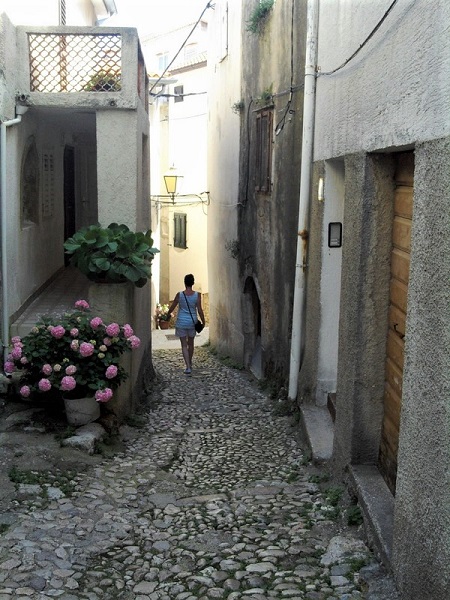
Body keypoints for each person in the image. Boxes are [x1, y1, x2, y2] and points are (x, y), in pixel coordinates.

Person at [168, 274, 205, 375]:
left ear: (185, 283)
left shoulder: (179, 295)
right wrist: (203, 321)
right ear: (193, 283)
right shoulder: (197, 295)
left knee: (184, 345)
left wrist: (168, 314)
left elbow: (172, 307)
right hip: (192, 322)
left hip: (181, 322)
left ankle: (188, 366)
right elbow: (200, 310)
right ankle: (190, 362)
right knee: (191, 344)